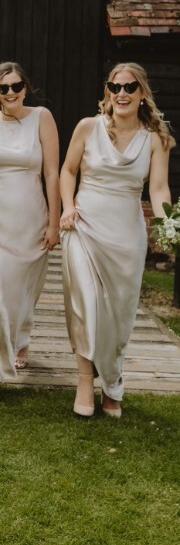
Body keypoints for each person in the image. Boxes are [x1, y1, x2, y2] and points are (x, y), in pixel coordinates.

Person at [60, 62, 173, 418]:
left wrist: (170, 223)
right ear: (107, 91)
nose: (121, 93)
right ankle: (83, 381)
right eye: (114, 86)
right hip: (85, 227)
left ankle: (112, 382)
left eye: (129, 87)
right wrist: (67, 206)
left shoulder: (156, 138)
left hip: (126, 235)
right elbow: (68, 170)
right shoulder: (87, 127)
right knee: (86, 304)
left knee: (117, 316)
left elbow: (157, 189)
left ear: (142, 94)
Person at [0, 62, 60, 408]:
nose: (10, 93)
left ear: (25, 86)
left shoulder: (42, 118)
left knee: (21, 291)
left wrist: (54, 220)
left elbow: (52, 173)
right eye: (2, 88)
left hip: (30, 218)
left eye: (16, 85)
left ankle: (19, 338)